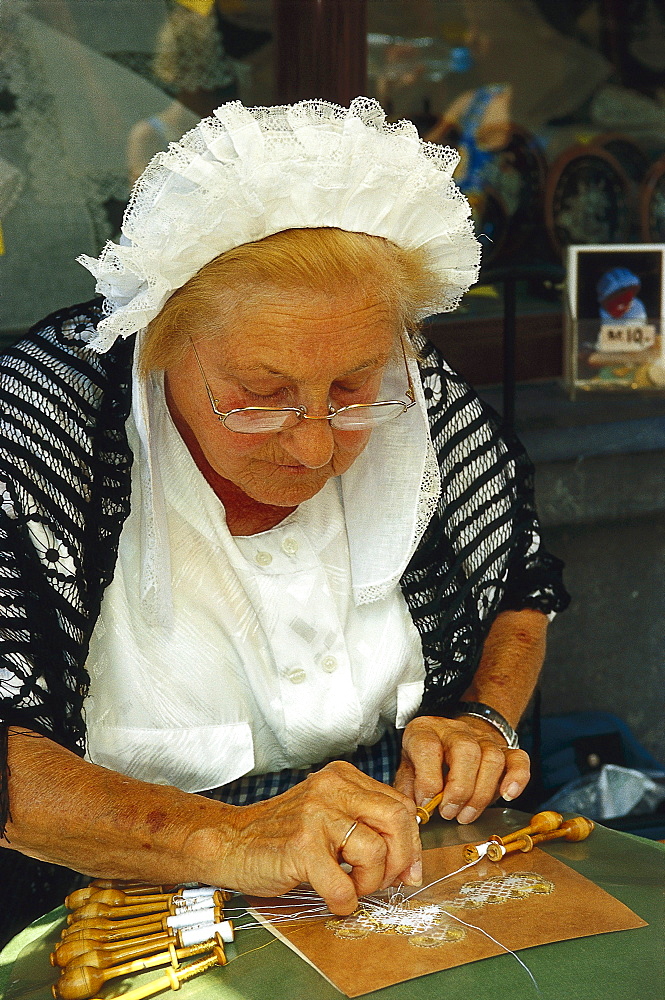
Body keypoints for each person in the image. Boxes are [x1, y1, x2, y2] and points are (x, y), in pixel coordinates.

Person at [0, 99, 568, 929]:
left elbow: (518, 575)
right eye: (260, 396)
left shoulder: (418, 398)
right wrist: (228, 838)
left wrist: (478, 716)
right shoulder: (41, 429)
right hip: (103, 916)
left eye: (351, 389)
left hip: (398, 891)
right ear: (158, 342)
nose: (312, 447)